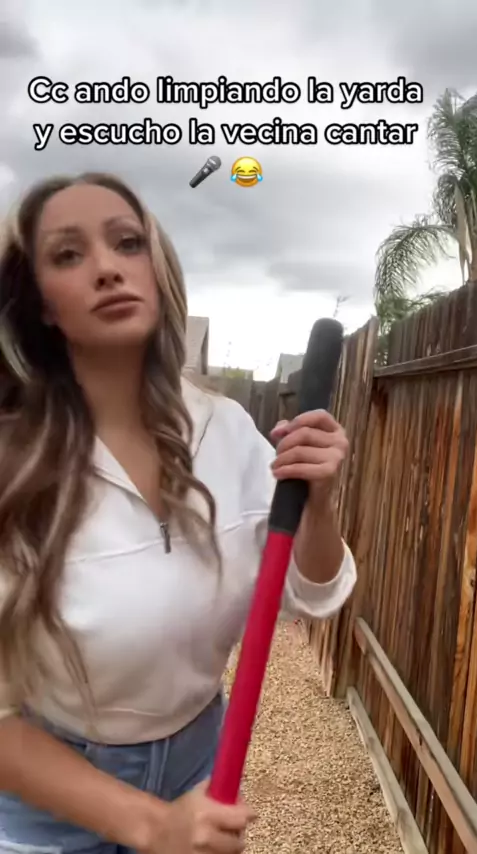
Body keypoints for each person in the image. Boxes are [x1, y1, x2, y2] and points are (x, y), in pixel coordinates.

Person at [0, 172, 356, 854]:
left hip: (200, 766)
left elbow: (309, 594)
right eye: (69, 254)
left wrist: (318, 503)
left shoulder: (225, 430)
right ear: (39, 302)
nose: (107, 268)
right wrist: (150, 825)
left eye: (127, 243)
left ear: (156, 268)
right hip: (50, 798)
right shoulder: (13, 464)